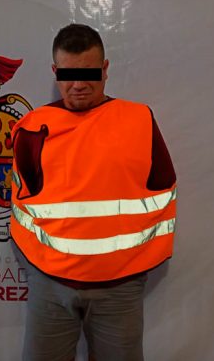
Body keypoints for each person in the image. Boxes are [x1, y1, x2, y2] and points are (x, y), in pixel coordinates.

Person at [10, 23, 176, 361]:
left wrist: (133, 264)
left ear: (105, 68)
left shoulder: (139, 119)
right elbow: (20, 204)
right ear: (55, 72)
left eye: (89, 73)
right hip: (50, 284)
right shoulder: (32, 127)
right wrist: (39, 266)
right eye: (69, 74)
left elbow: (165, 190)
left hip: (120, 286)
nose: (79, 84)